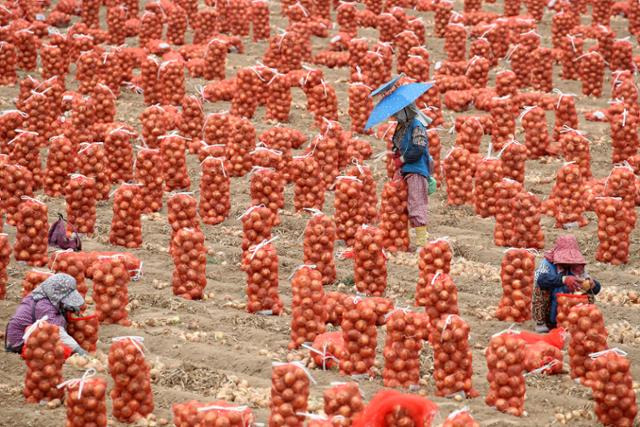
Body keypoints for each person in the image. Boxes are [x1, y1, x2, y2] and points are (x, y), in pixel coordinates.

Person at [5, 273, 87, 356]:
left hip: (34, 332)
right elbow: (57, 331)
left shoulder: (45, 295)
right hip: (20, 339)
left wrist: (69, 306)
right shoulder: (44, 305)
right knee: (60, 352)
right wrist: (78, 350)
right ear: (57, 294)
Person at [532, 235, 601, 332]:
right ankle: (541, 323)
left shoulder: (578, 267)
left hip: (569, 313)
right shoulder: (547, 263)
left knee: (588, 293)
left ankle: (580, 324)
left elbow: (596, 289)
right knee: (540, 286)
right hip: (550, 309)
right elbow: (540, 279)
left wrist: (593, 285)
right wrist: (563, 279)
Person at [391, 102, 434, 248]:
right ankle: (401, 239)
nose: (395, 115)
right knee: (400, 204)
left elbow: (419, 148)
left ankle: (422, 243)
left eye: (397, 112)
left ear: (406, 110)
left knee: (416, 204)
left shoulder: (417, 125)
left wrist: (402, 159)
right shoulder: (402, 126)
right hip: (406, 171)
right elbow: (401, 147)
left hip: (416, 170)